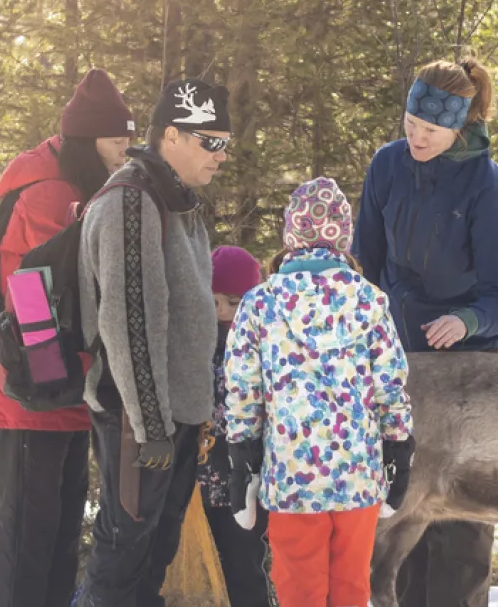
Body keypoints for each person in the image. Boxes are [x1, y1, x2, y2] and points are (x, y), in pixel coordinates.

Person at [353, 57, 498, 607]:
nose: (416, 138)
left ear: (458, 126)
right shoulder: (387, 166)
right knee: (403, 515)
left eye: (429, 130)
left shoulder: (486, 184)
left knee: (460, 525)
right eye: (409, 125)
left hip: (471, 374)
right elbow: (368, 267)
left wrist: (465, 320)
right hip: (405, 370)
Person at [0, 69, 136, 607]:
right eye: (117, 141)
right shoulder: (50, 196)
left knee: (62, 537)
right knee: (27, 544)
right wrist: (61, 381)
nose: (125, 151)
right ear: (90, 141)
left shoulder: (83, 189)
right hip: (30, 397)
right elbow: (33, 298)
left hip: (65, 393)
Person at [78, 78, 234, 606]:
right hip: (139, 422)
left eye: (226, 144)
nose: (222, 155)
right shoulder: (133, 201)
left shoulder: (177, 202)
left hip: (174, 419)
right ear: (172, 135)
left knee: (152, 556)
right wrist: (151, 429)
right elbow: (129, 321)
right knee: (123, 556)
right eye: (211, 142)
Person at [224, 178, 414, 607]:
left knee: (299, 592)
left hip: (292, 478)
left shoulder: (260, 303)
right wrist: (399, 447)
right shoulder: (370, 300)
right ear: (343, 237)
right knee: (350, 588)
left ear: (290, 234)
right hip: (358, 477)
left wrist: (240, 456)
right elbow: (390, 384)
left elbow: (242, 389)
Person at [201, 245, 275, 606]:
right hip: (200, 482)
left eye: (233, 301)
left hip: (247, 482)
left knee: (244, 568)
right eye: (214, 301)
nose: (223, 312)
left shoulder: (266, 340)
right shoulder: (195, 340)